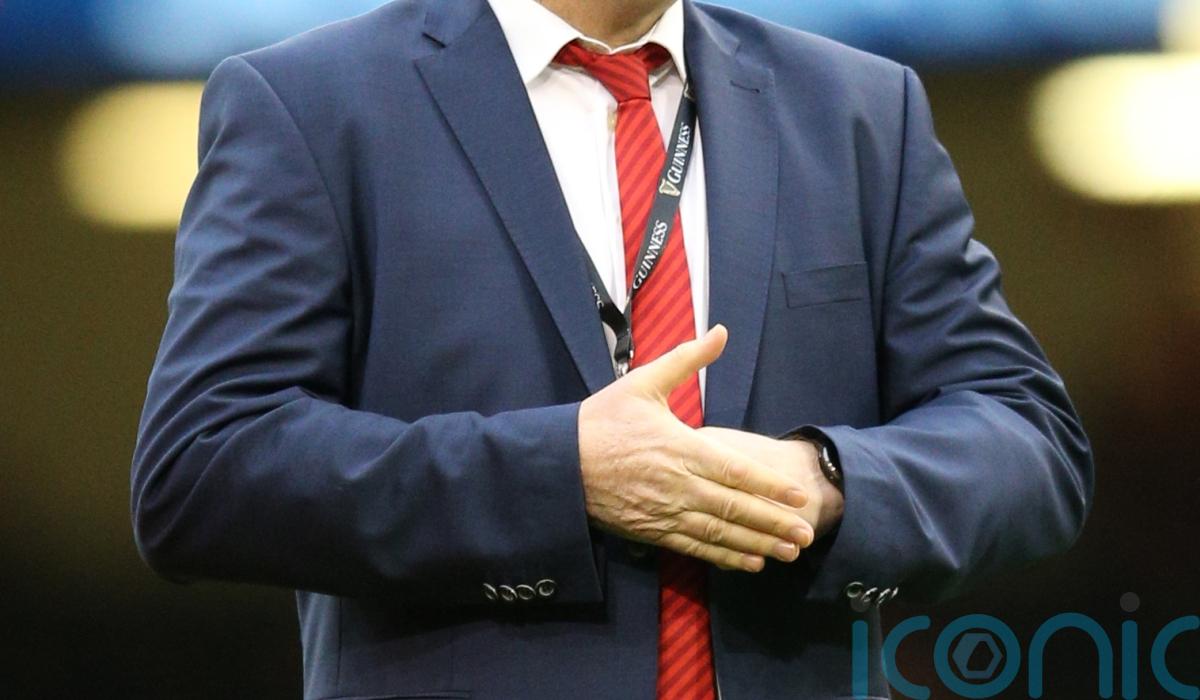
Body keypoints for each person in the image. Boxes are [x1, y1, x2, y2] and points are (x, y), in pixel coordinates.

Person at [130, 0, 1093, 697]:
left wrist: (831, 482)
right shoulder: (310, 103)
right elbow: (200, 467)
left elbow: (1029, 437)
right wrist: (562, 476)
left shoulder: (860, 110)